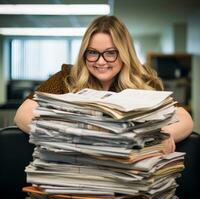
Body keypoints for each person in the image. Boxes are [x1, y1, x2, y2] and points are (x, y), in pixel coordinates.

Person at [14, 15, 193, 154]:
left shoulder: (143, 82)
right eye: (92, 52)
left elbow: (183, 117)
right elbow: (23, 114)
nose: (100, 62)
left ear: (124, 53)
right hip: (75, 167)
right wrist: (64, 135)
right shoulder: (66, 78)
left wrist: (163, 135)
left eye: (110, 53)